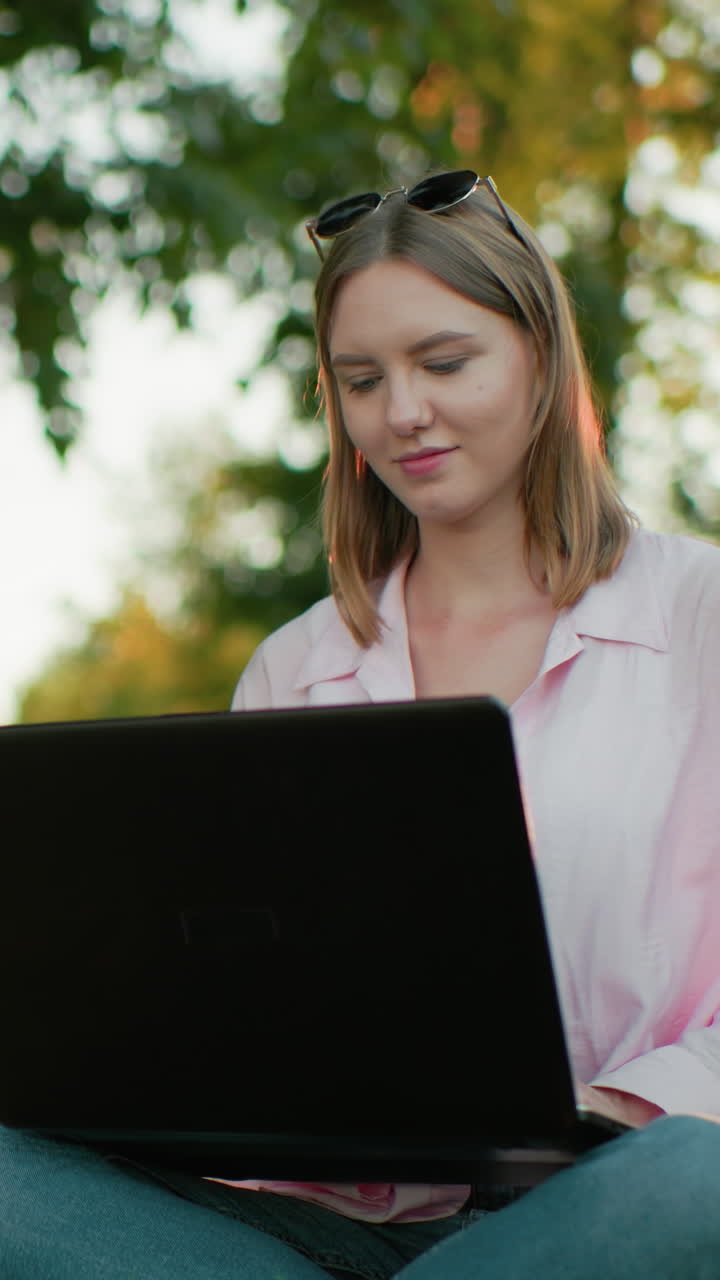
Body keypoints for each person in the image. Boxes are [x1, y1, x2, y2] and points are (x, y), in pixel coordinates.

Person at [1, 171, 719, 1279]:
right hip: (304, 1235)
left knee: (692, 1183)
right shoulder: (293, 667)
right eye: (361, 379)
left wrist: (605, 1105)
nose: (403, 412)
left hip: (594, 1213)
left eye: (445, 362)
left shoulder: (699, 619)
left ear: (540, 352)